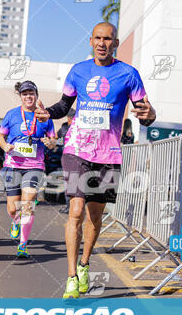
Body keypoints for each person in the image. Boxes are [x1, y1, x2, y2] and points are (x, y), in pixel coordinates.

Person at [35, 22, 156, 298]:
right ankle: (71, 277)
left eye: (108, 39)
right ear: (91, 41)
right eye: (98, 38)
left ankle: (85, 263)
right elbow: (64, 106)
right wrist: (48, 114)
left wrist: (150, 114)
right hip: (77, 149)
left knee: (94, 216)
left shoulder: (128, 74)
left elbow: (144, 111)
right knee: (75, 210)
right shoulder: (78, 70)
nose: (102, 43)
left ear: (115, 43)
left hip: (108, 153)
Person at [0, 80, 56, 258]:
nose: (28, 96)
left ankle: (23, 244)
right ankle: (15, 221)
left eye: (31, 93)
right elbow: (1, 136)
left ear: (36, 95)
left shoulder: (45, 117)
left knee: (28, 204)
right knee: (13, 208)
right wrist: (5, 145)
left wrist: (50, 142)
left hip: (35, 166)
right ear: (21, 97)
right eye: (25, 94)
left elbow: (53, 141)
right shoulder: (12, 114)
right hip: (13, 165)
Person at [57, 108, 76, 213]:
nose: (72, 119)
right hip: (67, 158)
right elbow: (56, 136)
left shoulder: (78, 126)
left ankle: (72, 206)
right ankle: (69, 205)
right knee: (68, 182)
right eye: (71, 117)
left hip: (76, 157)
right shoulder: (64, 127)